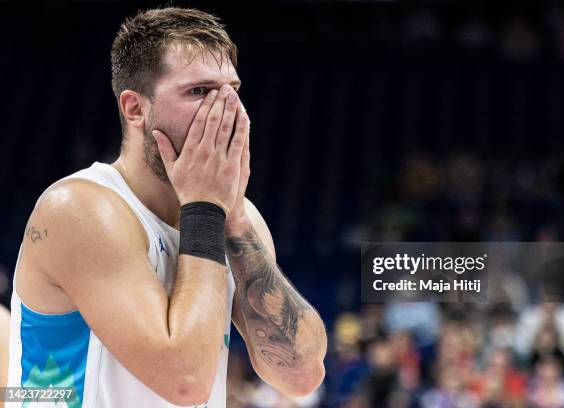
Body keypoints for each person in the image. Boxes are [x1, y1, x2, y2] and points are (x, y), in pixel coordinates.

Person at [7, 7, 327, 407]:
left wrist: (236, 219)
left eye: (233, 91)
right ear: (135, 108)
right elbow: (185, 383)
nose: (227, 112)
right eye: (199, 92)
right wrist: (205, 208)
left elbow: (300, 375)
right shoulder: (80, 209)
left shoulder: (234, 217)